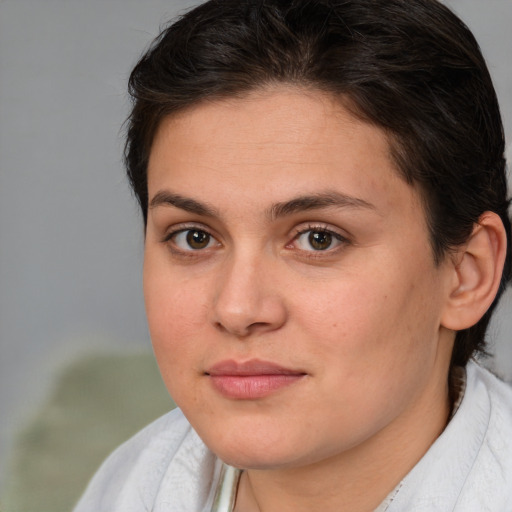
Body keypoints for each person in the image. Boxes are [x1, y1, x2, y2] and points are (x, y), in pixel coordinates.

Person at [74, 0, 512, 510]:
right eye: (194, 237)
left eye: (318, 238)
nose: (237, 309)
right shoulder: (131, 484)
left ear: (466, 273)